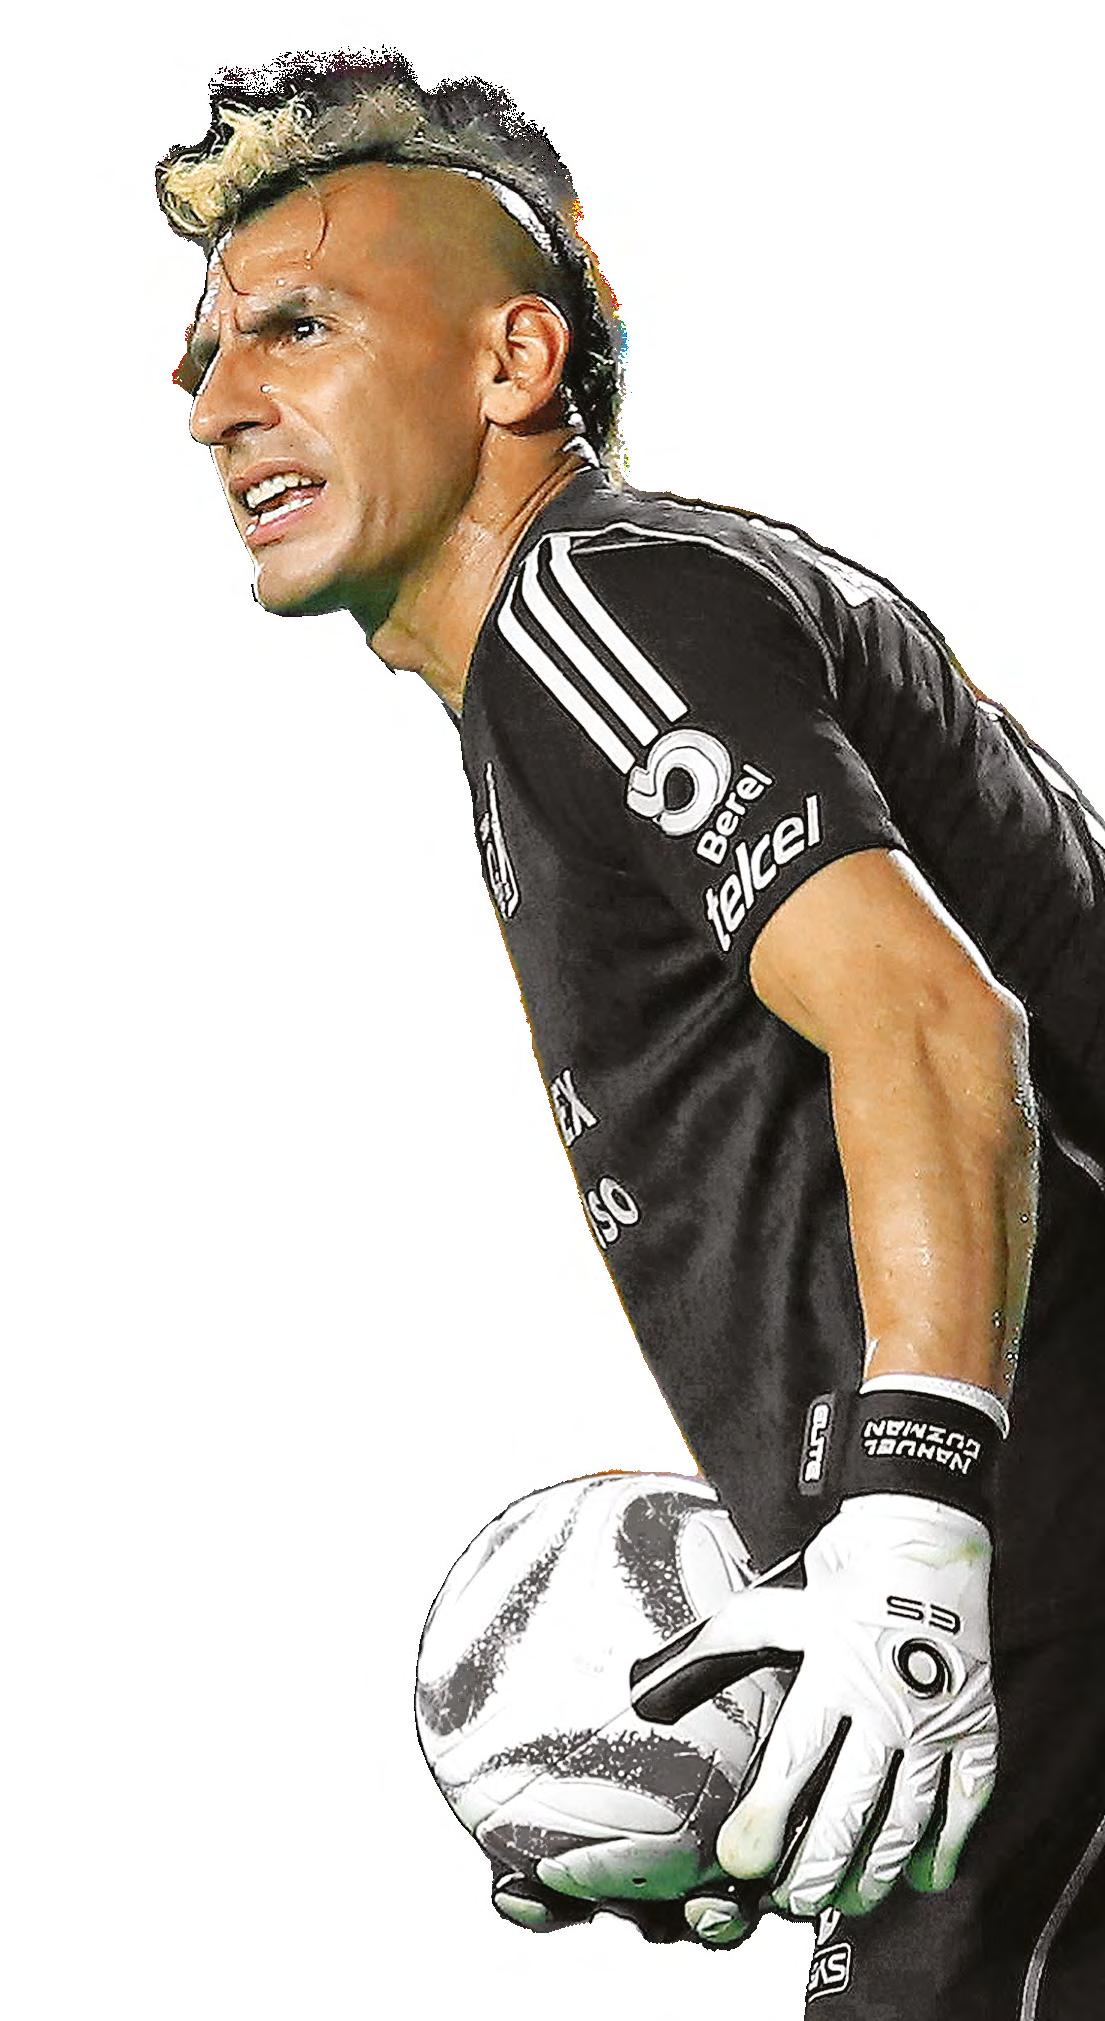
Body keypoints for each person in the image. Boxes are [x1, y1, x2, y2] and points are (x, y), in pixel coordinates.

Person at [156, 49, 1104, 2018]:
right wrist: (748, 1718)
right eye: (200, 356)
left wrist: (913, 1534)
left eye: (296, 326)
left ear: (512, 362)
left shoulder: (595, 609)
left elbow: (933, 1020)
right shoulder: (581, 673)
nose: (216, 399)